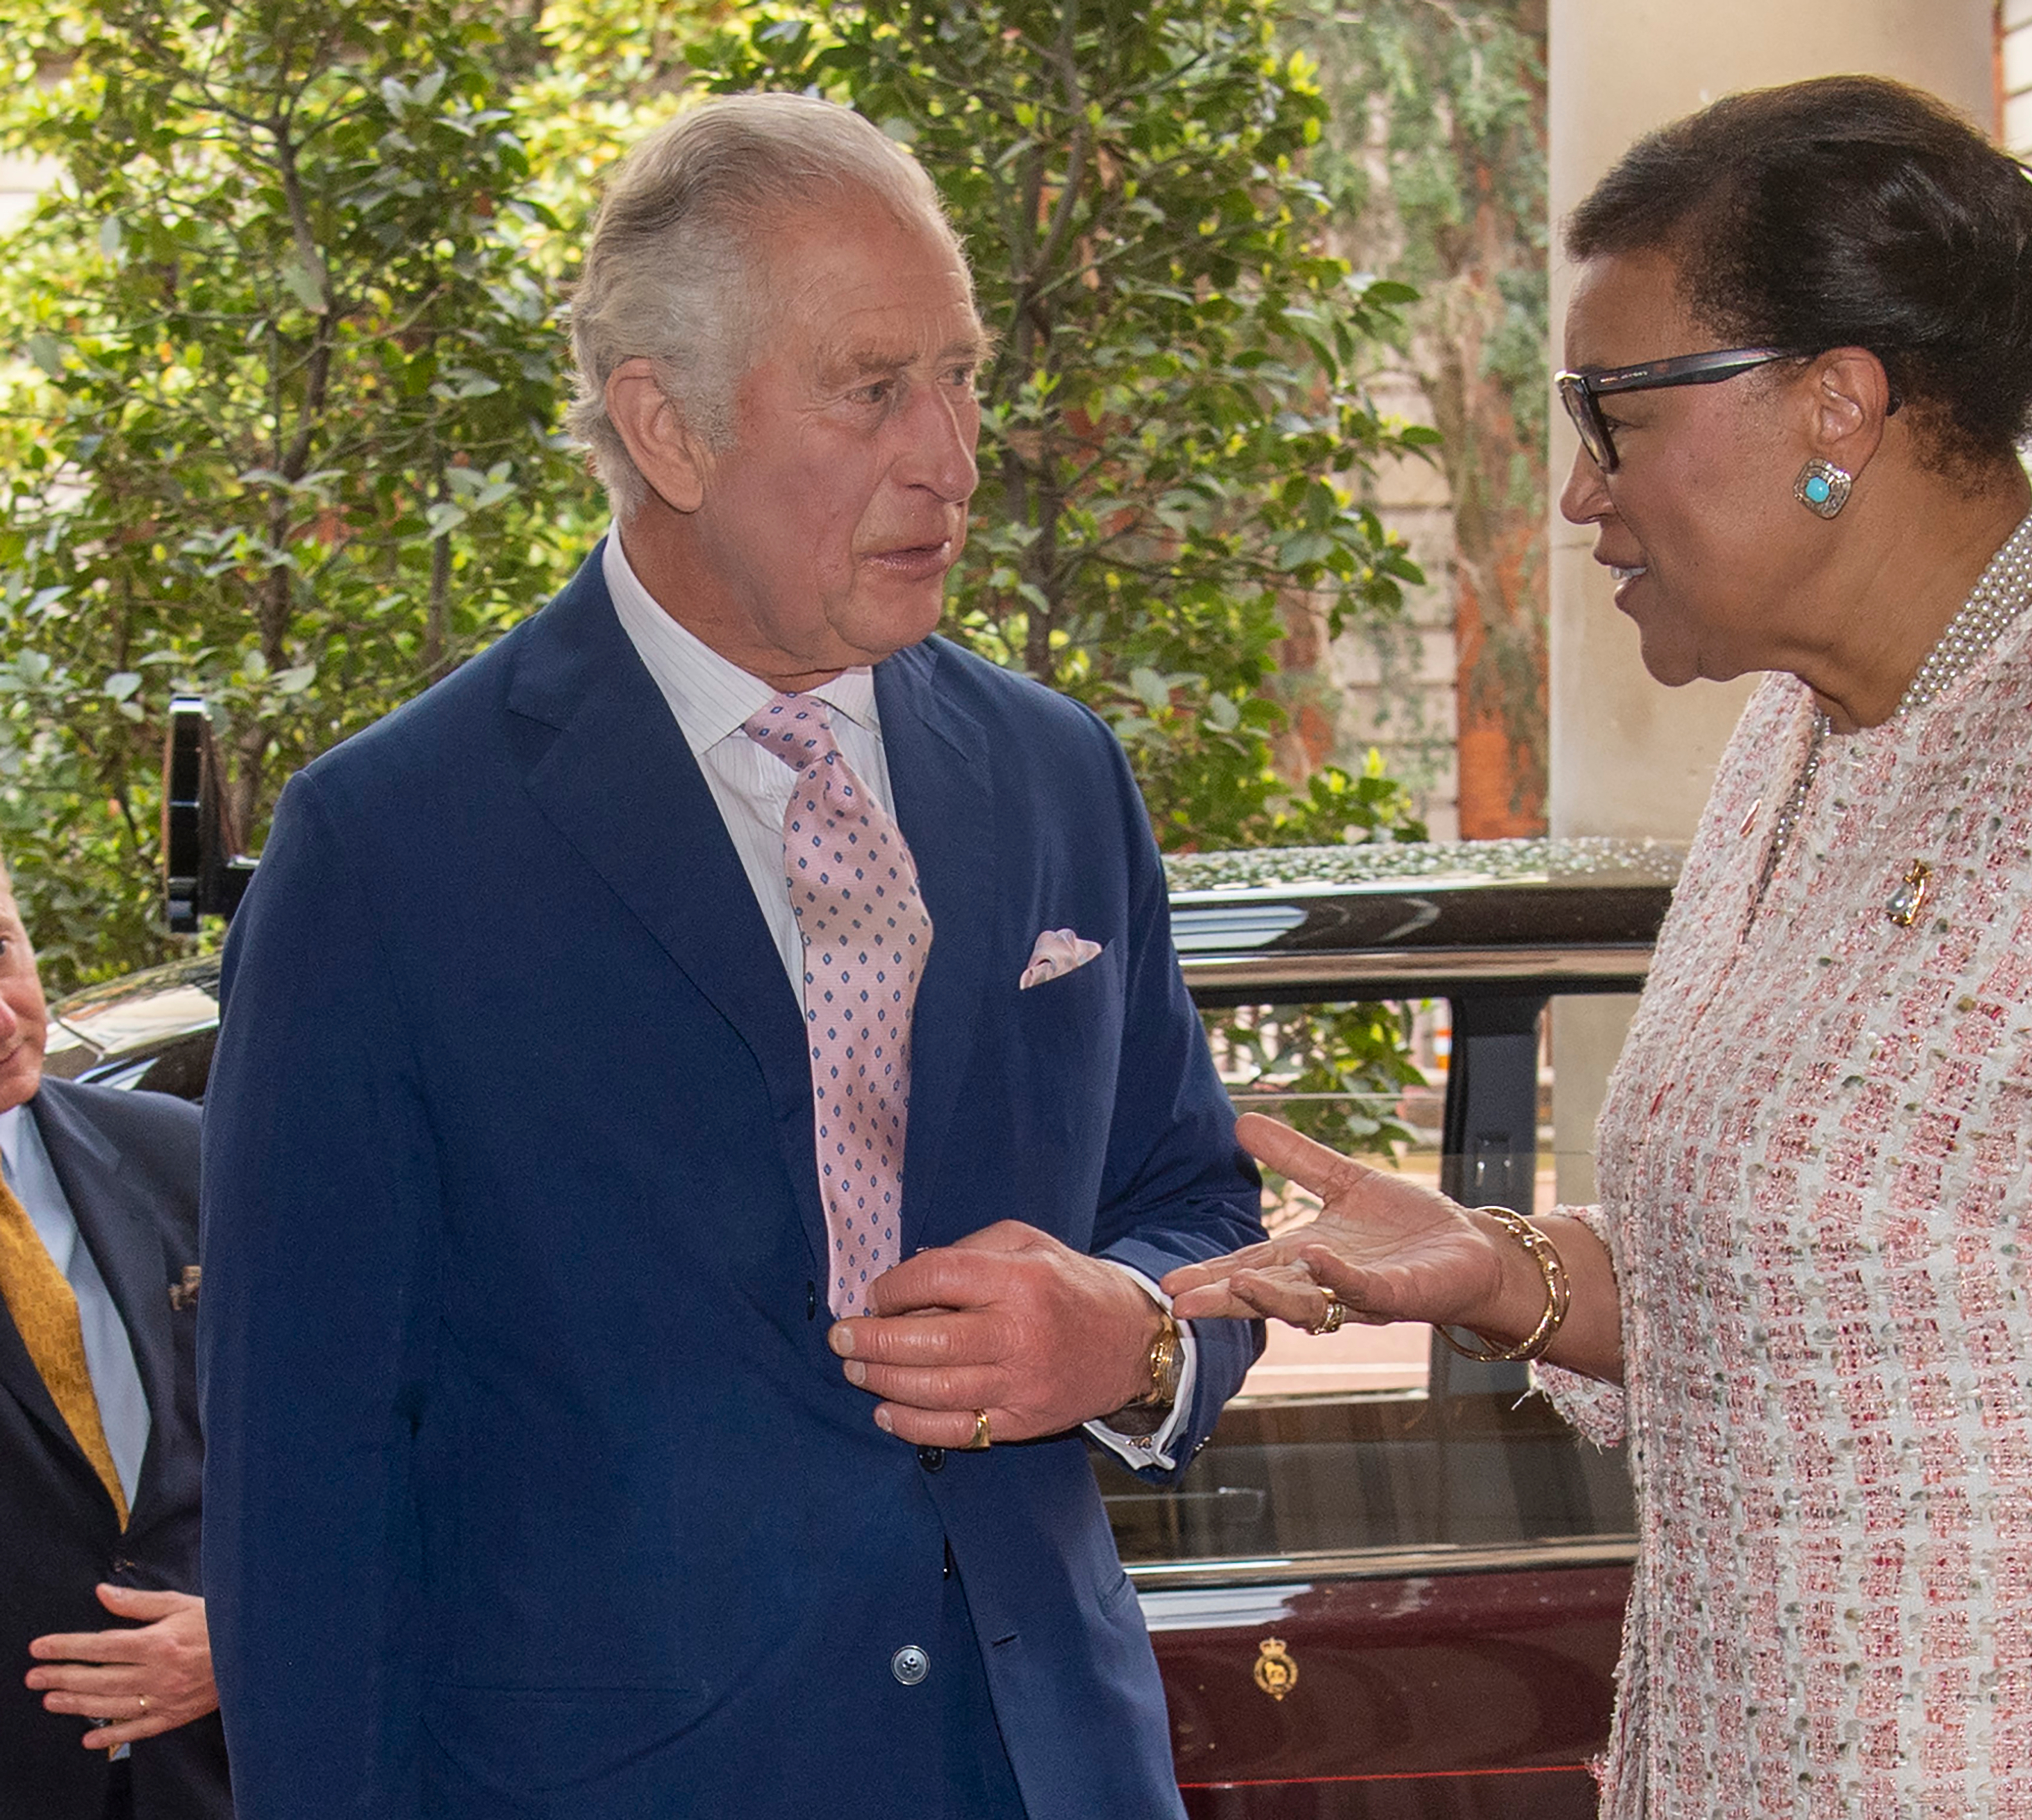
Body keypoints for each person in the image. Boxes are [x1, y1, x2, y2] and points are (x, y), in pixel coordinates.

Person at [1169, 75, 2032, 1820]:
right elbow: (1854, 1306)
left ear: (1838, 405)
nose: (1580, 492)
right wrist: (1508, 1273)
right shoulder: (1811, 735)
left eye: (1613, 412)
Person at [198, 94, 1263, 1817]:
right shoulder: (387, 852)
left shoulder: (1061, 777)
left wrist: (1129, 1345)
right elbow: (304, 1483)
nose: (955, 455)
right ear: (667, 430)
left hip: (1044, 1769)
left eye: (964, 375)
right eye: (873, 391)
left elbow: (1198, 1209)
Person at [0, 863, 227, 1820]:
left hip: (215, 1774)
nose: (6, 1018)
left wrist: (246, 1637)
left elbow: (337, 1440)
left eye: (0, 951)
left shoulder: (183, 1151)